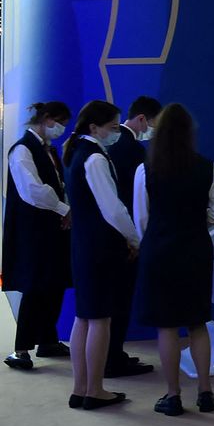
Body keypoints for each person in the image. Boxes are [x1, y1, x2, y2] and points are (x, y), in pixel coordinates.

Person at [132, 103, 214, 415]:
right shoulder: (207, 167)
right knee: (198, 322)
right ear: (190, 133)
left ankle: (173, 394)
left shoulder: (145, 169)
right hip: (195, 250)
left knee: (167, 327)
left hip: (159, 252)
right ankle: (205, 391)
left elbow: (142, 219)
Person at [63, 100, 140, 409]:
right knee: (100, 320)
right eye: (112, 127)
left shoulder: (74, 151)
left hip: (83, 245)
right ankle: (94, 390)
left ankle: (81, 387)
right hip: (101, 247)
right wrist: (134, 238)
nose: (116, 133)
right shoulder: (94, 158)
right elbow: (113, 209)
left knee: (84, 318)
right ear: (94, 127)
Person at [3, 102, 73, 370]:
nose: (62, 128)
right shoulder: (22, 150)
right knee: (34, 287)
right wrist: (63, 209)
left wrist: (64, 210)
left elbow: (57, 185)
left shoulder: (48, 150)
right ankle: (21, 349)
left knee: (53, 284)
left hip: (52, 228)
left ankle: (48, 338)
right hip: (32, 230)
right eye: (59, 121)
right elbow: (32, 190)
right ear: (46, 119)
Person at [103, 95, 162, 378]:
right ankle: (113, 358)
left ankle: (112, 354)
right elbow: (137, 201)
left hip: (110, 235)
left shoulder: (111, 148)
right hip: (126, 236)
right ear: (142, 119)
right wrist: (136, 238)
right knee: (120, 300)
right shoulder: (133, 150)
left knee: (112, 301)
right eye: (153, 123)